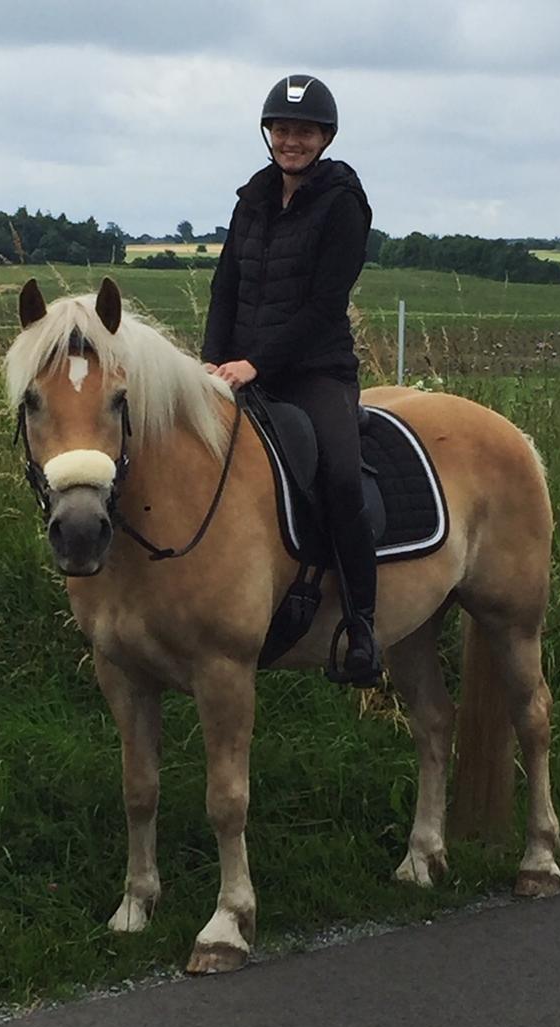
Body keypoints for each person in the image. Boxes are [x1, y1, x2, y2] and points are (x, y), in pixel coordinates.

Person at [201, 74, 380, 686]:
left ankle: (361, 625)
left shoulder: (343, 203)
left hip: (314, 373)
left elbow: (325, 305)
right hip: (238, 369)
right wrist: (211, 358)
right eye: (280, 128)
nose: (290, 140)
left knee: (337, 474)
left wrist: (258, 364)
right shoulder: (251, 199)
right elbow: (226, 286)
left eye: (302, 130)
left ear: (324, 136)